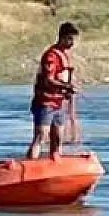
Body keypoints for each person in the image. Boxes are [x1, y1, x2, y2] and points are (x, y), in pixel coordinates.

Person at [26, 21, 79, 161]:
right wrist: (65, 86)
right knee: (41, 135)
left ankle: (55, 161)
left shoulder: (64, 55)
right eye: (70, 39)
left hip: (59, 102)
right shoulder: (51, 56)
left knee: (58, 136)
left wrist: (67, 90)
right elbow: (49, 79)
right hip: (46, 101)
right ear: (62, 37)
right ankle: (30, 164)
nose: (72, 43)